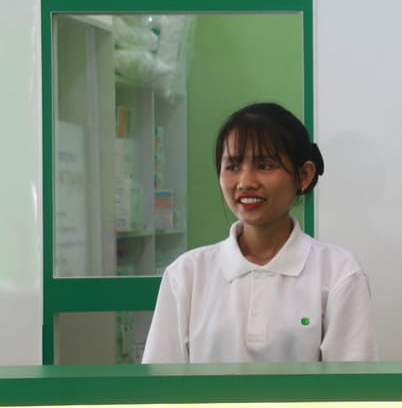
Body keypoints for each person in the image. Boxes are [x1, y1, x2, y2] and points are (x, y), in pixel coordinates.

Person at [143, 102, 378, 363]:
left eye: (264, 165)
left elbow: (351, 384)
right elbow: (159, 382)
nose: (245, 182)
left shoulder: (339, 273)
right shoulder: (186, 275)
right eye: (232, 167)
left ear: (303, 176)